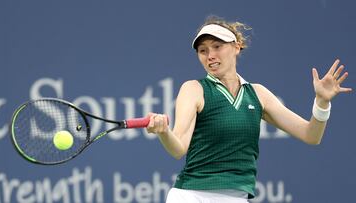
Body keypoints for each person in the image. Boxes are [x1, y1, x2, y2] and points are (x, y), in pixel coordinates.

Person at [146, 16, 352, 203]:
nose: (210, 55)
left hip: (238, 197)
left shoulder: (258, 94)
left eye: (217, 46)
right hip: (191, 196)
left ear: (237, 47)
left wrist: (322, 102)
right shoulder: (194, 89)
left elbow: (311, 135)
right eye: (203, 50)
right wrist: (164, 132)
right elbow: (178, 149)